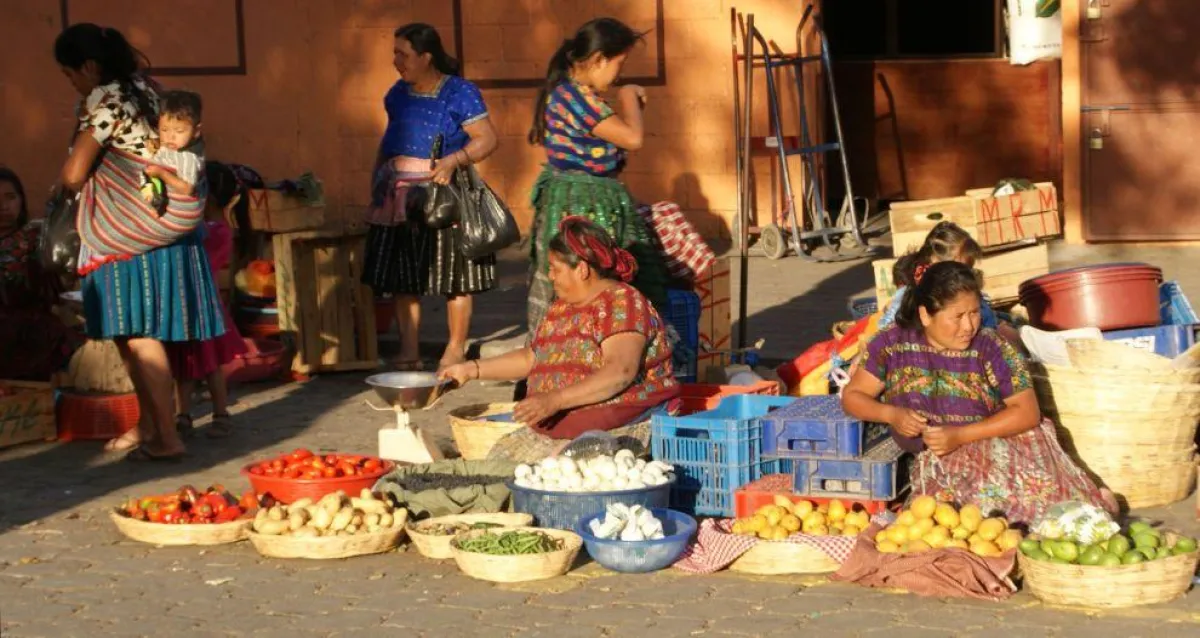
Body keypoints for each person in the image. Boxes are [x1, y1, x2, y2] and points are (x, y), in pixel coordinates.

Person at [56, 23, 225, 460]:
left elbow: (74, 174)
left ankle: (167, 438)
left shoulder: (104, 98)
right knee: (132, 335)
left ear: (89, 67)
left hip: (126, 232)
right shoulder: (148, 88)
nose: (72, 83)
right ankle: (149, 426)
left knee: (139, 335)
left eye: (71, 74)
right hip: (166, 229)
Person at [841, 261, 1114, 524]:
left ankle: (1091, 500)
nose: (969, 326)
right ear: (925, 315)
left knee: (1047, 513)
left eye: (974, 313)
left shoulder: (991, 347)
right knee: (958, 519)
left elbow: (1027, 412)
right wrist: (891, 414)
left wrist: (960, 435)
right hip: (939, 458)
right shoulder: (891, 344)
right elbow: (852, 397)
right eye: (957, 317)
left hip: (1001, 441)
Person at [440, 217, 679, 463]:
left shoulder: (623, 302)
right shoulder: (560, 308)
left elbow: (620, 371)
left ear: (582, 269)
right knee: (495, 468)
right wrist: (471, 369)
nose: (550, 276)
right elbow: (531, 358)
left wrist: (555, 400)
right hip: (556, 427)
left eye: (556, 268)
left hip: (617, 429)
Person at [361, 22, 499, 372]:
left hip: (445, 194)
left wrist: (454, 160)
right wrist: (376, 183)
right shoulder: (396, 94)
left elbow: (486, 138)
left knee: (456, 277)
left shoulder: (459, 93)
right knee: (402, 279)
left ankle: (455, 349)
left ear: (426, 57)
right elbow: (389, 139)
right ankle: (409, 350)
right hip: (398, 199)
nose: (396, 61)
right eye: (395, 53)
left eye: (402, 54)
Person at [526, 17, 672, 334]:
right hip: (585, 206)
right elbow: (633, 138)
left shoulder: (573, 94)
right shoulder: (576, 99)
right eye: (620, 63)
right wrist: (629, 98)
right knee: (596, 282)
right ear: (598, 59)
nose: (620, 74)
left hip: (585, 200)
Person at [165, 161, 248, 439]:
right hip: (189, 302)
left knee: (210, 364)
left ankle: (221, 412)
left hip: (203, 305)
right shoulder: (207, 228)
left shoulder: (215, 231)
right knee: (185, 364)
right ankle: (183, 414)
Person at [0, 168, 80, 381]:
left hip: (36, 339)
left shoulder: (39, 237)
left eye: (10, 197)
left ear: (21, 200)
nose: (4, 206)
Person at [880, 221, 998, 329]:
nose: (966, 278)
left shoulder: (972, 299)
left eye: (969, 271)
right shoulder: (909, 297)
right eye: (961, 272)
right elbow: (885, 329)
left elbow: (990, 325)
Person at [140, 90, 206, 207]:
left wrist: (161, 174)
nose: (170, 137)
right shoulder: (172, 144)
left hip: (181, 209)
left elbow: (187, 189)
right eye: (164, 130)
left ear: (196, 131)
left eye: (179, 131)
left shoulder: (188, 157)